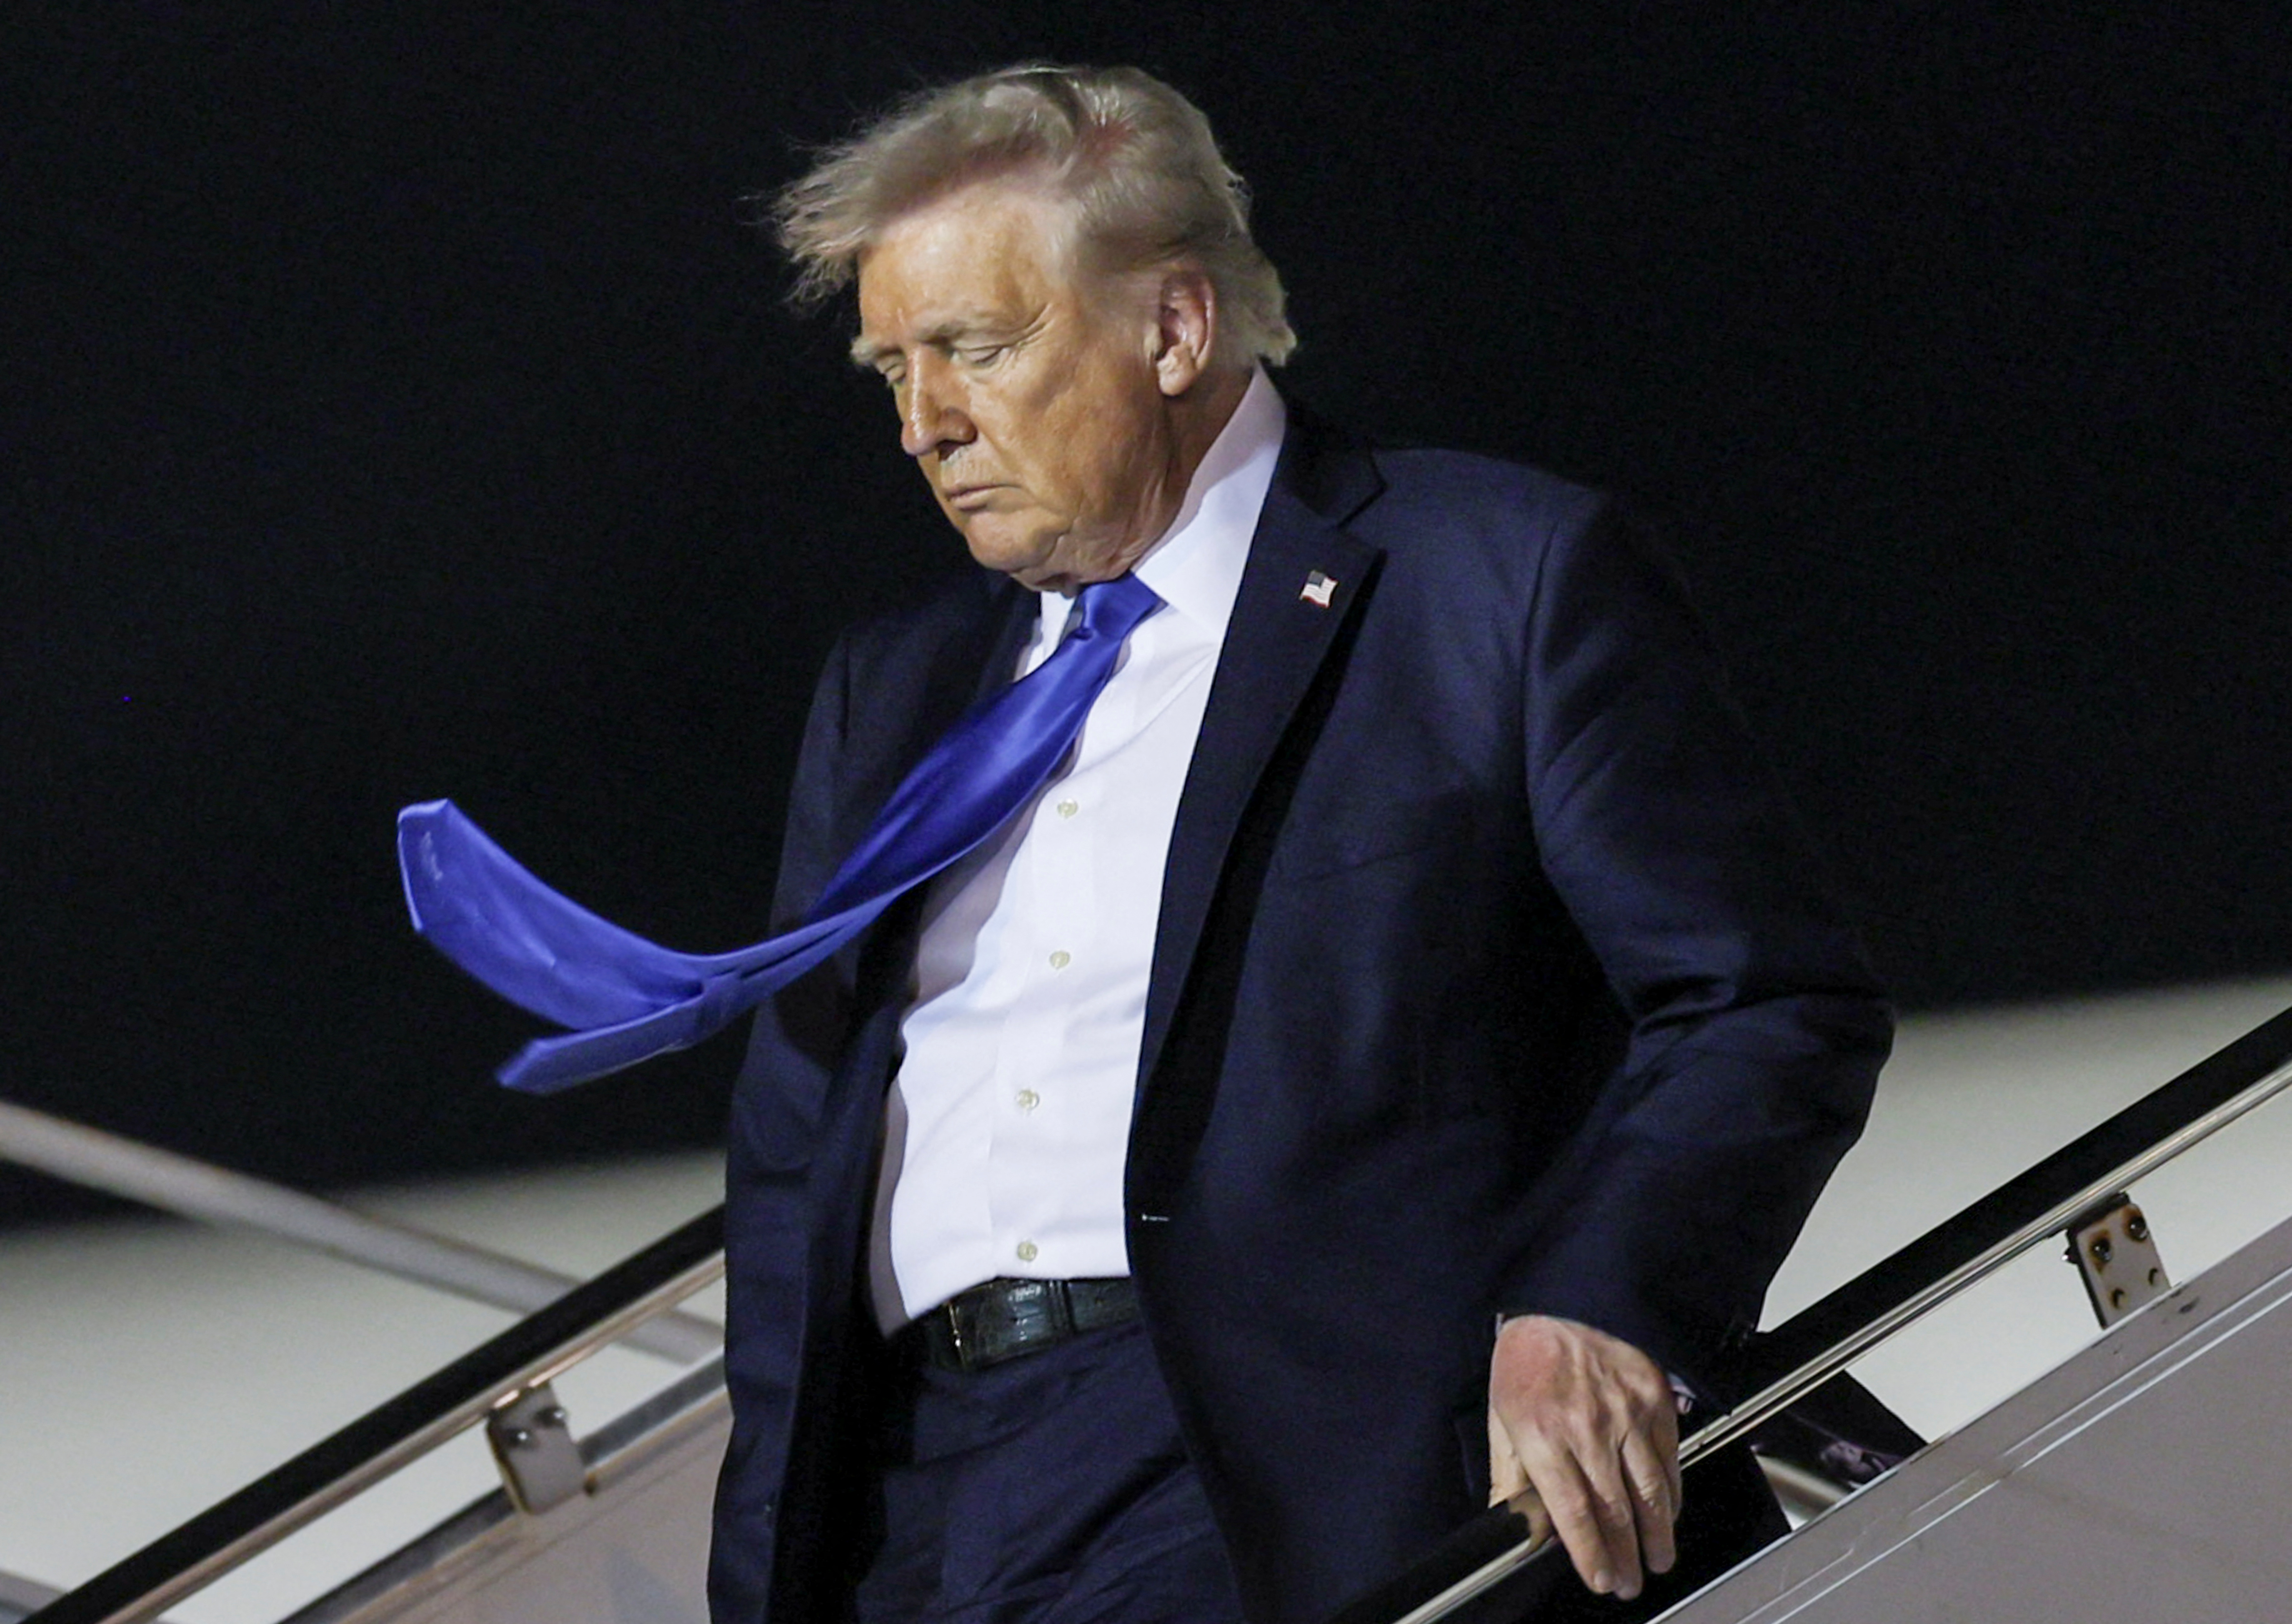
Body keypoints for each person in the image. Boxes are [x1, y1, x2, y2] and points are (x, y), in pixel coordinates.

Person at [711, 63, 1892, 1624]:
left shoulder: (1491, 581)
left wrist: (1597, 1305)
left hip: (1270, 1465)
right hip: (911, 1502)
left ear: (1175, 327)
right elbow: (798, 1147)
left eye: (976, 352)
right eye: (891, 371)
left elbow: (1762, 999)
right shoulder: (893, 689)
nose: (926, 425)